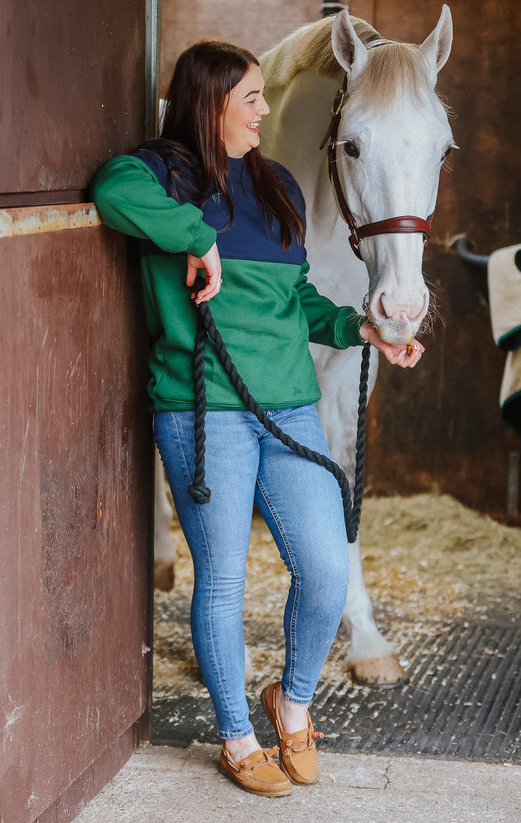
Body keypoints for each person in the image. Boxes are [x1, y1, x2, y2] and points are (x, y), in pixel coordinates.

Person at [91, 39, 424, 798]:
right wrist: (193, 233)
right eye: (250, 98)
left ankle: (292, 701)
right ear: (209, 105)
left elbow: (295, 298)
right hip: (202, 410)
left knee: (324, 565)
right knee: (222, 583)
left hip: (287, 409)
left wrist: (356, 328)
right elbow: (107, 187)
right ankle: (237, 736)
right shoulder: (161, 176)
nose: (265, 110)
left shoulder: (279, 187)